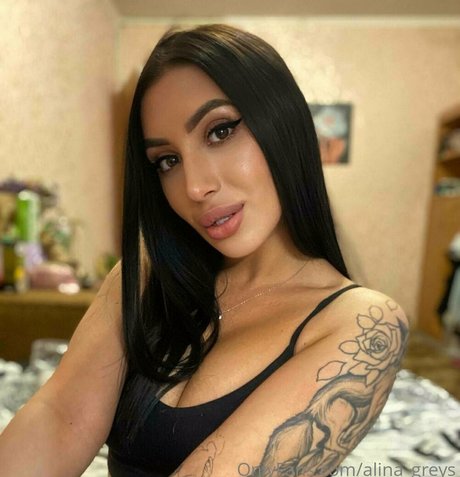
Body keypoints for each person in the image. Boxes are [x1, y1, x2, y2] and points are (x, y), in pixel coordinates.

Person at [0, 24, 409, 477]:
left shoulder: (363, 323)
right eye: (167, 161)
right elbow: (59, 419)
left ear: (284, 122)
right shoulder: (147, 274)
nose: (194, 187)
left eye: (220, 131)